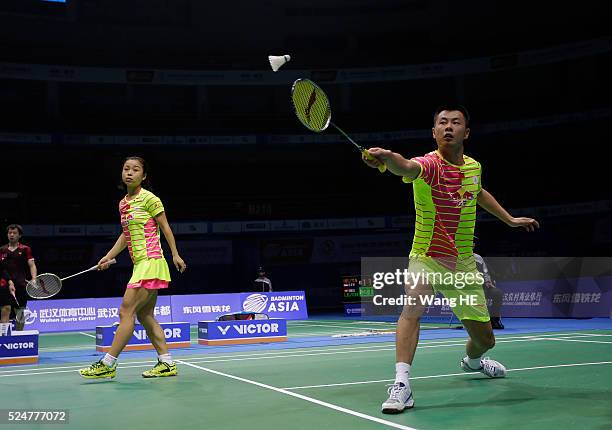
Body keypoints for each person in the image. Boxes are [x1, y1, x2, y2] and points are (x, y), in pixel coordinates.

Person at [362, 105, 539, 413]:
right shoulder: (428, 165)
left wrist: (509, 219)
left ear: (465, 132)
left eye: (455, 122)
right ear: (434, 132)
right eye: (442, 123)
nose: (448, 127)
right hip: (426, 256)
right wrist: (389, 159)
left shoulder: (474, 167)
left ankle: (473, 361)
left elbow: (478, 191)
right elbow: (406, 167)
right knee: (412, 309)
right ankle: (402, 384)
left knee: (485, 340)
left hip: (463, 265)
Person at [79, 156, 187, 379]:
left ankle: (108, 363)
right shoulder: (123, 203)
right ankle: (166, 363)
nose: (129, 172)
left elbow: (165, 227)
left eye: (135, 170)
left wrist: (175, 254)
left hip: (151, 261)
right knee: (146, 314)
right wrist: (107, 257)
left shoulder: (150, 199)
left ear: (144, 176)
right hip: (140, 264)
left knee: (125, 311)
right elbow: (125, 235)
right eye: (126, 169)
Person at [0, 224, 37, 330]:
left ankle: (19, 336)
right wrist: (9, 282)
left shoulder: (25, 249)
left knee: (20, 312)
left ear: (19, 235)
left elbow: (32, 265)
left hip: (20, 283)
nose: (11, 235)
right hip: (4, 284)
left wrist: (34, 279)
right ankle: (3, 338)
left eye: (14, 233)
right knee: (5, 309)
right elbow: (1, 269)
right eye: (9, 233)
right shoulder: (2, 250)